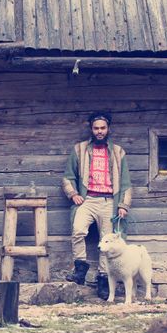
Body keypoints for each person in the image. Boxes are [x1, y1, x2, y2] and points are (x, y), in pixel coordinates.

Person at [62, 112, 132, 300]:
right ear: (91, 129)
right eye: (96, 128)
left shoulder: (118, 152)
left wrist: (123, 205)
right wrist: (74, 194)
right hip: (88, 199)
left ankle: (103, 280)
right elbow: (68, 177)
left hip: (110, 201)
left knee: (106, 241)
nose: (99, 131)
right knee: (78, 230)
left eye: (102, 128)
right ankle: (80, 269)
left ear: (108, 129)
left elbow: (125, 182)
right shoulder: (79, 149)